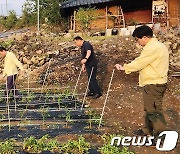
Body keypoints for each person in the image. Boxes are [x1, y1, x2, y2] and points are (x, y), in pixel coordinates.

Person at [115, 25, 169, 138]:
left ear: (144, 37)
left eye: (138, 39)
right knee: (149, 108)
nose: (138, 42)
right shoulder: (155, 45)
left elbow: (141, 62)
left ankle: (160, 136)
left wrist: (125, 67)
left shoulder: (153, 48)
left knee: (154, 110)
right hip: (153, 82)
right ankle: (147, 130)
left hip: (154, 83)